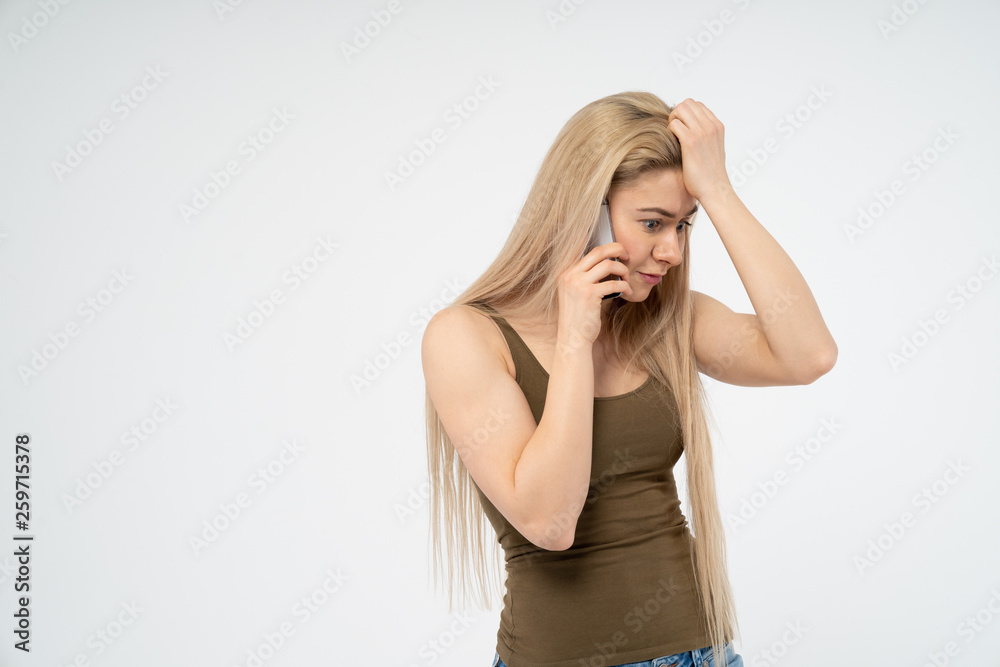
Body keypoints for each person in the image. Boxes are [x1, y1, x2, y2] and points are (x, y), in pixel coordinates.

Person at [420, 91, 837, 667]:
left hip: (699, 652)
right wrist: (573, 340)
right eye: (652, 223)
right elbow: (549, 521)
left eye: (684, 227)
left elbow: (807, 355)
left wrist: (717, 190)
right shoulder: (465, 336)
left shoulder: (667, 320)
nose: (671, 251)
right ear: (584, 214)